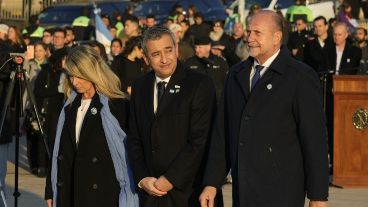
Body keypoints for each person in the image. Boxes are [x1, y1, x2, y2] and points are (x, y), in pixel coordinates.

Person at [199, 10, 329, 207]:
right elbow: (222, 135)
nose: (250, 38)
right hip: (243, 191)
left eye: (257, 33)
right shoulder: (235, 75)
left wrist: (318, 195)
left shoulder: (299, 77)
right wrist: (211, 182)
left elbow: (314, 139)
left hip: (282, 191)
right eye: (249, 32)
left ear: (277, 37)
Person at [127, 26, 216, 207]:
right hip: (150, 193)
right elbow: (134, 138)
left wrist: (170, 179)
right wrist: (142, 178)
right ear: (145, 57)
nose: (164, 59)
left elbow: (200, 141)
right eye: (156, 54)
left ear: (176, 49)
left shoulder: (200, 84)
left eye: (168, 50)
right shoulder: (139, 87)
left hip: (188, 192)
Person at [45, 45, 139, 207]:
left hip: (104, 194)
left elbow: (132, 150)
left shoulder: (117, 105)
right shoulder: (68, 107)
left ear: (92, 71)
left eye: (80, 76)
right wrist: (50, 190)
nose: (75, 82)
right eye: (71, 76)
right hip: (69, 190)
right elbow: (59, 151)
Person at [185, 36, 229, 102]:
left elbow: (226, 82)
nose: (197, 50)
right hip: (196, 101)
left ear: (208, 47)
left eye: (200, 47)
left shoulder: (220, 62)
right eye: (196, 47)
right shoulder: (189, 63)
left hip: (217, 101)